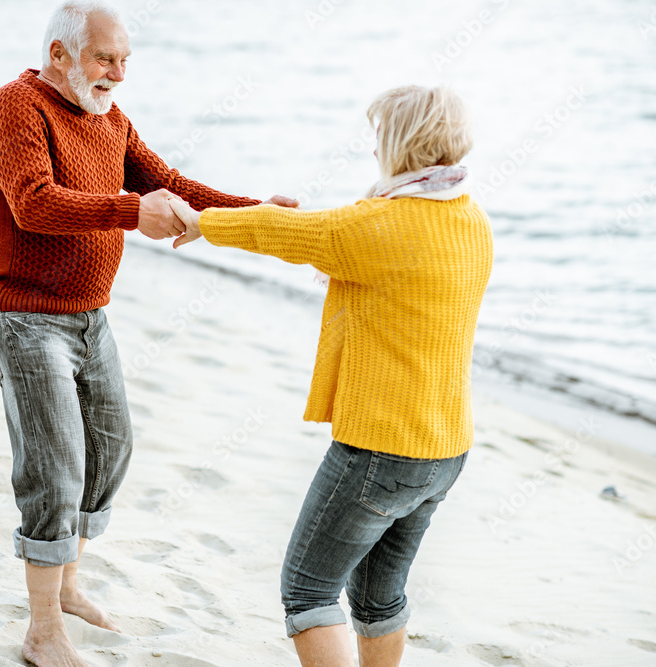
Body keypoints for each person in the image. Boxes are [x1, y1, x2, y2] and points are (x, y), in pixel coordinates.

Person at [0, 2, 297, 665]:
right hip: (23, 318)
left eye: (125, 61)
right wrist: (129, 212)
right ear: (60, 54)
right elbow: (33, 204)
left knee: (109, 453)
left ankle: (64, 586)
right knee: (54, 469)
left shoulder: (110, 120)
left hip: (91, 317)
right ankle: (41, 632)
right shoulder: (15, 107)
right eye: (104, 59)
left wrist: (254, 211)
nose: (118, 75)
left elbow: (168, 184)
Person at [169, 85, 493, 667]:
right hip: (444, 451)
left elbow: (282, 235)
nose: (373, 153)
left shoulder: (377, 226)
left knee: (307, 591)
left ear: (401, 144)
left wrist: (203, 222)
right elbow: (357, 251)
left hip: (380, 450)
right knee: (377, 597)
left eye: (379, 139)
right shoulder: (472, 220)